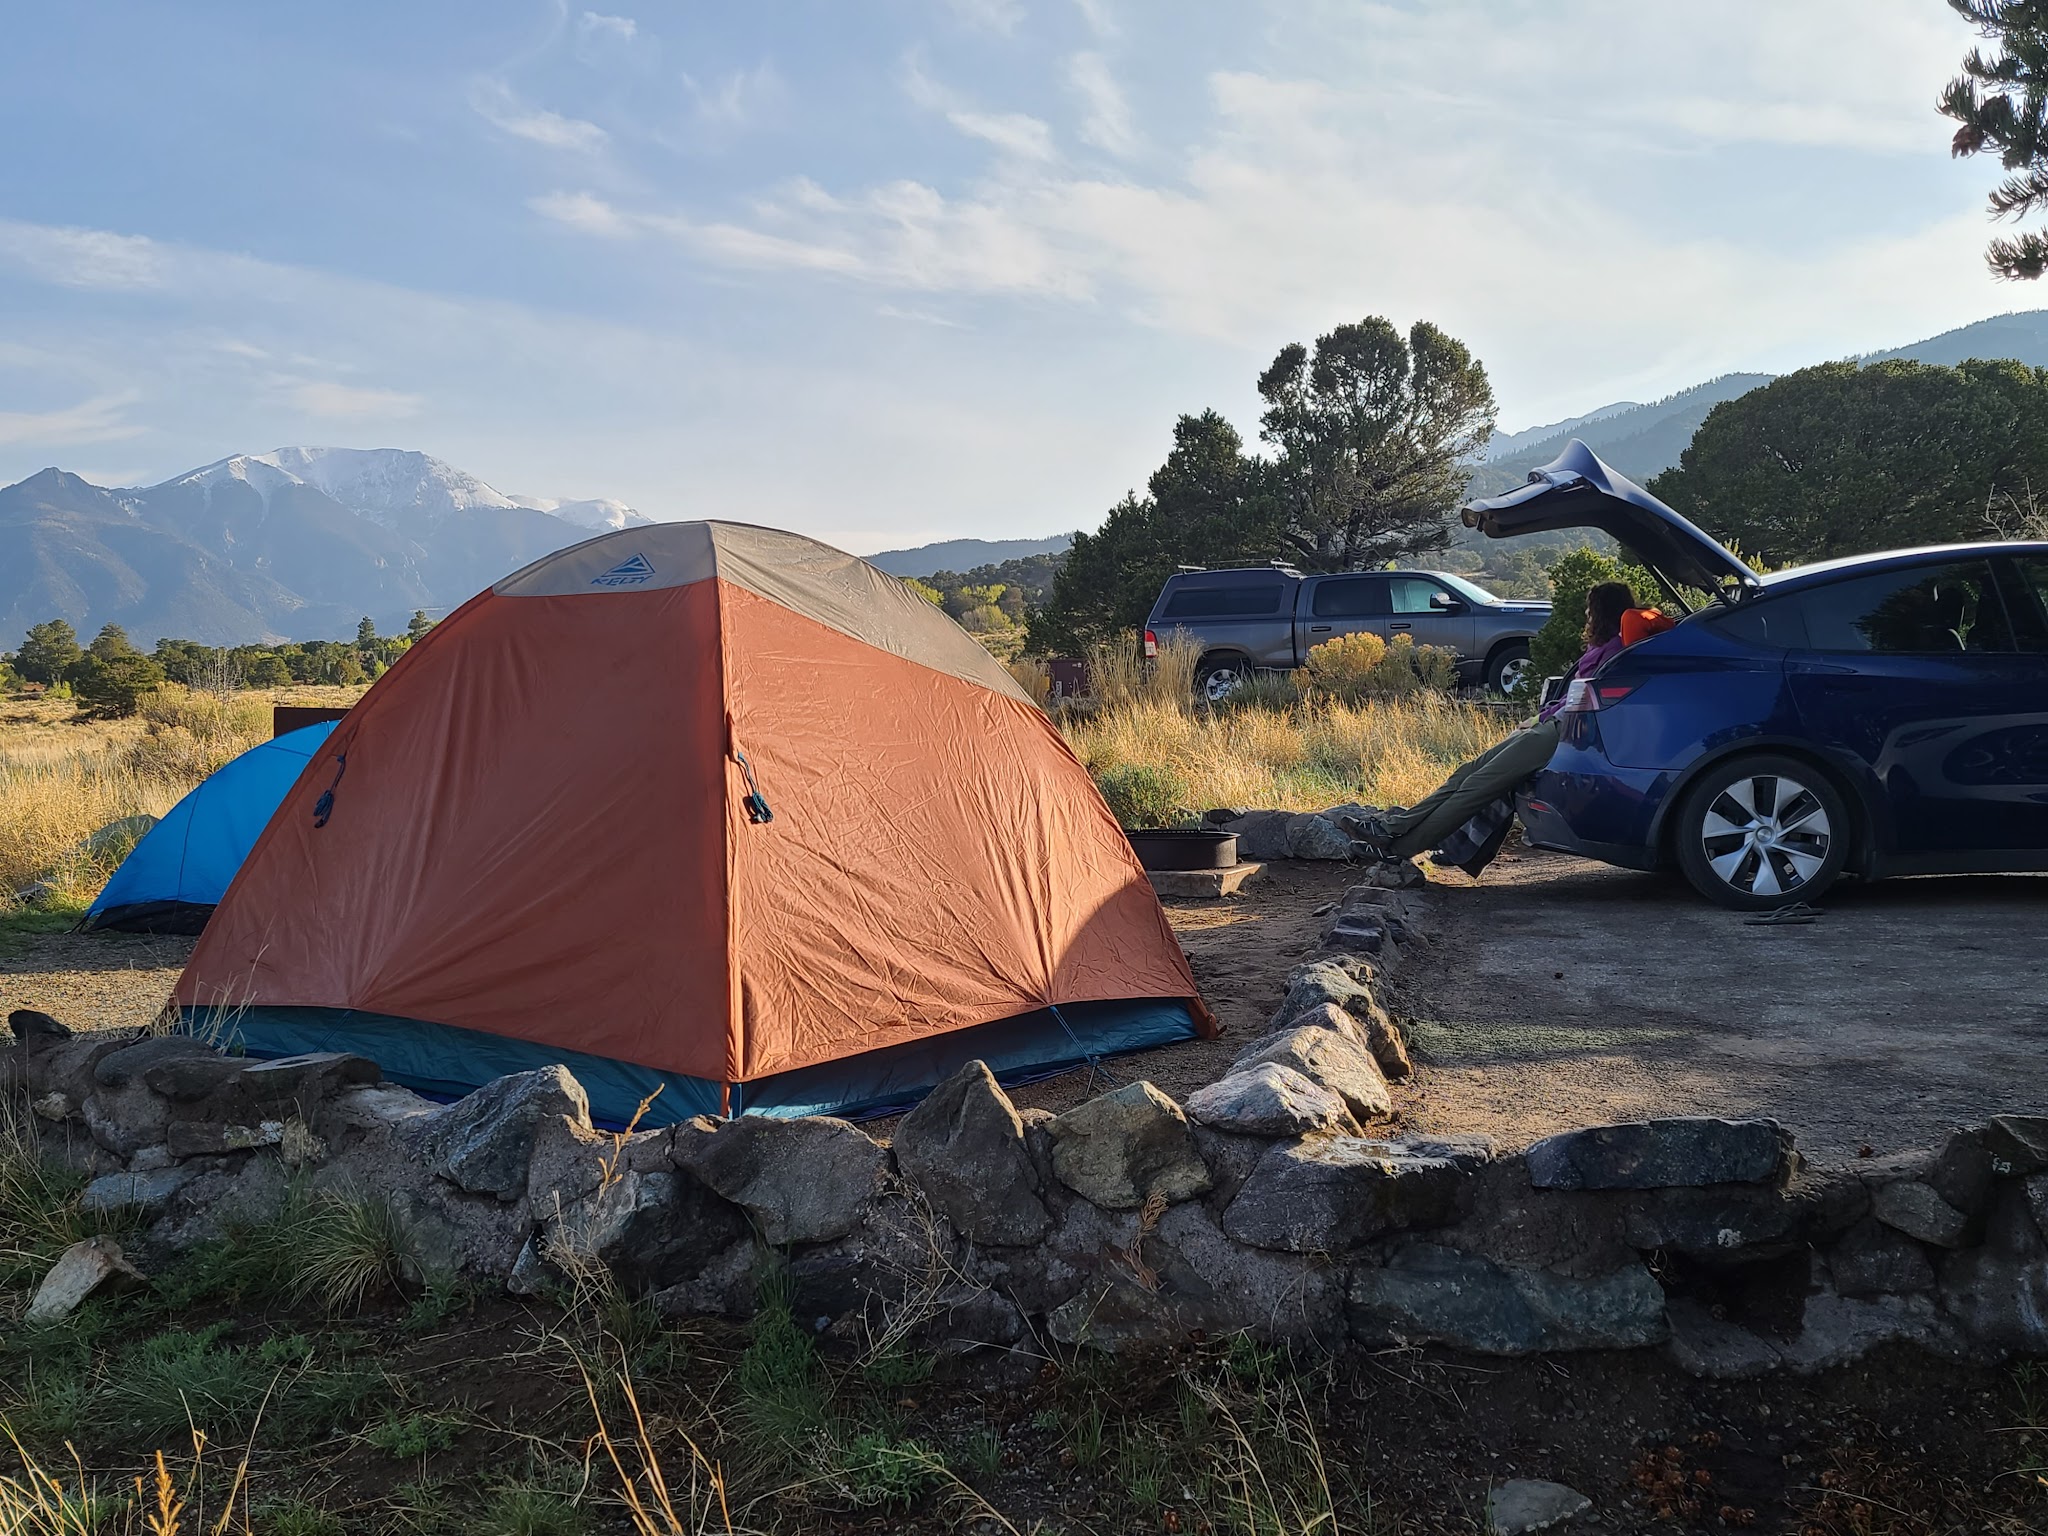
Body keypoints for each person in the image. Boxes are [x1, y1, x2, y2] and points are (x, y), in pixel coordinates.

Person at [1348, 581, 1640, 866]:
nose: (1586, 615)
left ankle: (1401, 848)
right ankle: (1391, 828)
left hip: (1561, 733)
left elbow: (1582, 703)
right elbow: (1570, 698)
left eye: (1590, 609)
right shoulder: (1604, 648)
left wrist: (1544, 721)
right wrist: (1537, 718)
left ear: (1601, 612)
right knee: (1466, 773)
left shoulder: (1614, 652)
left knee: (1476, 787)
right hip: (1550, 725)